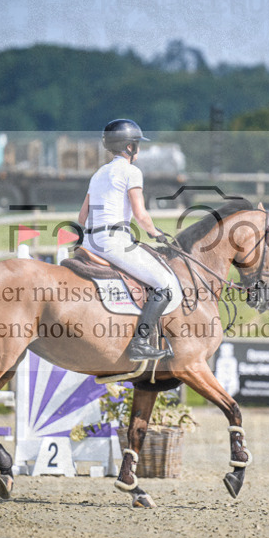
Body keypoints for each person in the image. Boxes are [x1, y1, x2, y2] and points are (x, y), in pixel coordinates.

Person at [79, 119, 180, 362]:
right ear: (129, 147)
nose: (138, 149)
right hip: (113, 242)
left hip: (90, 242)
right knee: (164, 285)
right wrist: (156, 233)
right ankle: (140, 343)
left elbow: (82, 217)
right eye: (137, 144)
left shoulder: (98, 174)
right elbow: (140, 214)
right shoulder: (132, 172)